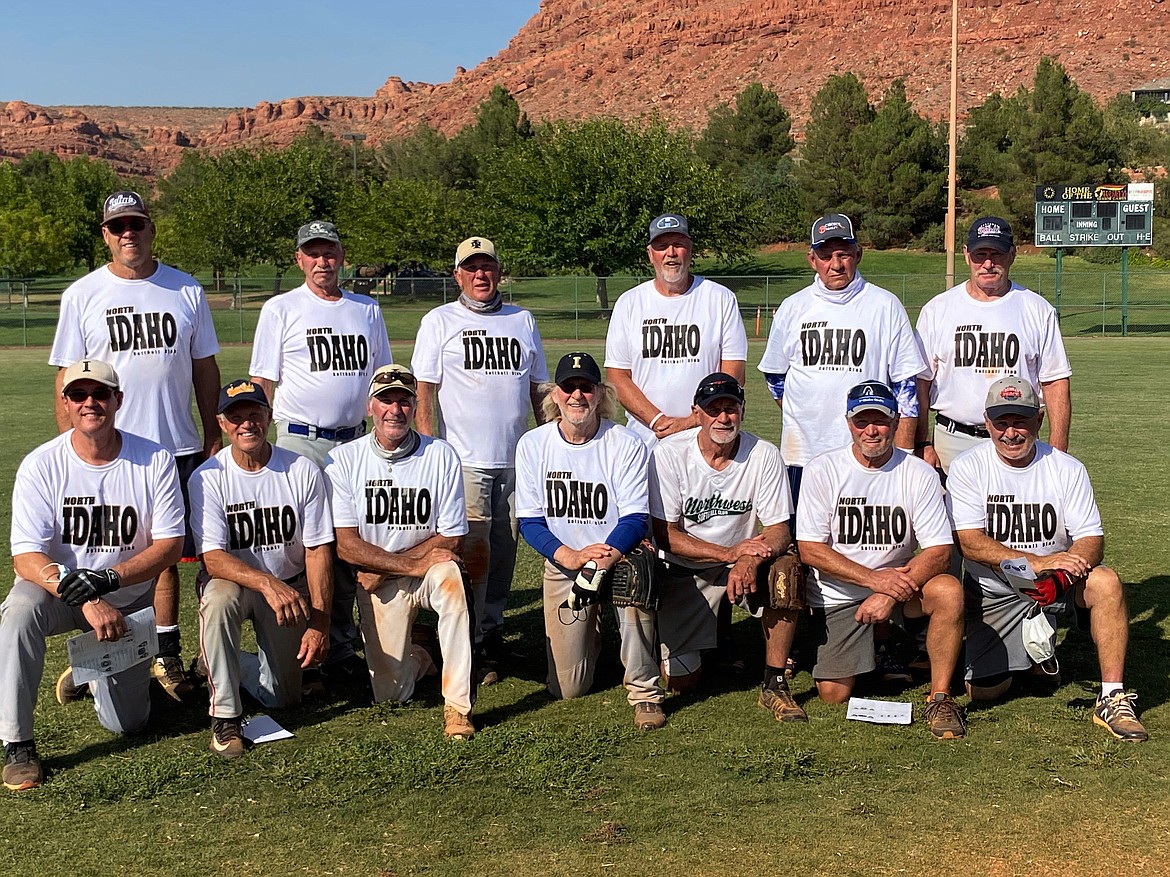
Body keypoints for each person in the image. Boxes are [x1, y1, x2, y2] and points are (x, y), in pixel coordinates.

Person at [48, 190, 221, 702]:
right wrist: (69, 447)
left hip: (176, 443)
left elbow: (204, 367)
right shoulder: (82, 294)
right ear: (105, 234)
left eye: (137, 225)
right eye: (118, 226)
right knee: (103, 546)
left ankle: (166, 654)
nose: (129, 234)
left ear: (150, 229)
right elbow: (65, 376)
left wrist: (213, 434)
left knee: (173, 556)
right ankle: (101, 652)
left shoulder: (185, 290)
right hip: (106, 450)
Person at [2, 360, 185, 791]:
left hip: (126, 600)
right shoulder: (41, 464)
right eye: (78, 395)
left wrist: (109, 581)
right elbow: (25, 557)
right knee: (18, 610)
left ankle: (93, 673)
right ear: (64, 404)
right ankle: (17, 743)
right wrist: (82, 593)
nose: (90, 403)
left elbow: (170, 545)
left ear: (118, 400)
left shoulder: (153, 458)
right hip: (63, 596)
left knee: (130, 723)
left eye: (100, 394)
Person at [947, 377, 1147, 741]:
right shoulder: (967, 466)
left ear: (1039, 420)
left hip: (1057, 587)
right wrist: (1038, 562)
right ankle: (1035, 656)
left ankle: (1112, 696)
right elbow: (970, 543)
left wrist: (1062, 576)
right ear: (986, 422)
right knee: (986, 691)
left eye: (1021, 420)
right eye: (1002, 421)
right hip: (996, 591)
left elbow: (1091, 538)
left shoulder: (1067, 467)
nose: (1011, 432)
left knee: (1106, 581)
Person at [249, 220, 393, 684]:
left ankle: (342, 642)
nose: (321, 261)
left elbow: (381, 378)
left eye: (328, 251)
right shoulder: (281, 308)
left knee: (351, 541)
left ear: (341, 255)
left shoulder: (365, 309)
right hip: (297, 439)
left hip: (354, 441)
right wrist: (259, 444)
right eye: (312, 253)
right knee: (302, 544)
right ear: (299, 260)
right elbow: (263, 382)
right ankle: (296, 639)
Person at [795, 381, 966, 739]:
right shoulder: (822, 469)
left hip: (900, 587)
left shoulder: (918, 472)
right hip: (841, 593)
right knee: (833, 694)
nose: (871, 430)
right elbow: (810, 549)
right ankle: (881, 643)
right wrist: (874, 581)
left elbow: (939, 550)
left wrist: (889, 592)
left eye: (881, 421)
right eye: (862, 421)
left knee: (949, 590)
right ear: (848, 423)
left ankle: (940, 696)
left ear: (895, 422)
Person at [412, 236, 548, 683]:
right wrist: (432, 453)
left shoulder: (522, 320)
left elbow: (539, 391)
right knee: (472, 552)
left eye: (487, 266)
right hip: (463, 459)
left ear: (498, 270)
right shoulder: (439, 320)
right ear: (457, 276)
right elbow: (425, 391)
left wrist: (549, 446)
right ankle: (463, 639)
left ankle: (491, 635)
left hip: (514, 460)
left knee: (505, 551)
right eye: (471, 268)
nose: (480, 275)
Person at [323, 364, 476, 739]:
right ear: (370, 407)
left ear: (414, 405)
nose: (395, 409)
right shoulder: (343, 460)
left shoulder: (441, 455)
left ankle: (458, 709)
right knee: (392, 694)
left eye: (404, 401)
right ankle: (423, 652)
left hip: (416, 572)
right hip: (380, 581)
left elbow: (453, 537)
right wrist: (406, 565)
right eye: (385, 400)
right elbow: (346, 544)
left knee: (452, 579)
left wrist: (395, 567)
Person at [515, 352, 666, 730]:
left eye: (586, 387)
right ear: (555, 394)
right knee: (568, 688)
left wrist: (604, 557)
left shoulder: (625, 442)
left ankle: (644, 691)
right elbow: (530, 521)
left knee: (635, 575)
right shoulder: (533, 444)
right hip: (566, 563)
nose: (577, 396)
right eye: (569, 388)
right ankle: (593, 636)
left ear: (600, 394)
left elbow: (635, 516)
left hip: (616, 558)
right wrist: (569, 556)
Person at [189, 380, 334, 759]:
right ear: (222, 424)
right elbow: (213, 558)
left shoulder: (301, 470)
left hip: (287, 588)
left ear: (269, 417)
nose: (246, 424)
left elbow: (318, 550)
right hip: (237, 583)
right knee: (219, 597)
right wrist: (266, 583)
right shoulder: (207, 476)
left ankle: (220, 659)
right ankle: (225, 718)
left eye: (254, 414)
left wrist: (319, 623)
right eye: (235, 417)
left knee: (283, 699)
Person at [649, 373, 804, 722]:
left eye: (730, 408)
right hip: (687, 568)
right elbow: (665, 535)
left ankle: (774, 681)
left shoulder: (763, 454)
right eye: (713, 409)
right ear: (696, 414)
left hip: (745, 565)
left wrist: (746, 558)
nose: (723, 417)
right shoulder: (670, 454)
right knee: (681, 682)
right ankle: (713, 637)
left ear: (743, 411)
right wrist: (728, 554)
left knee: (786, 569)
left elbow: (779, 529)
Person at [757, 213, 926, 503]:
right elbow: (775, 376)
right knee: (803, 542)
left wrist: (905, 455)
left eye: (843, 254)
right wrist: (803, 410)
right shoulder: (793, 307)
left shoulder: (884, 306)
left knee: (871, 544)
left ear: (858, 254)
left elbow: (906, 388)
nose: (835, 265)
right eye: (826, 255)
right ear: (812, 259)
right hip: (803, 456)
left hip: (869, 456)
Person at [916, 217, 1072, 473]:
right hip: (953, 440)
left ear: (1012, 254)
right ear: (966, 255)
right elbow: (920, 384)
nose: (987, 263)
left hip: (1017, 440)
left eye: (996, 254)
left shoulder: (1037, 309)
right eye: (980, 254)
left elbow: (1055, 382)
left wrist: (1058, 450)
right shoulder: (937, 310)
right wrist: (922, 442)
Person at [605, 213, 748, 445]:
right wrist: (657, 421)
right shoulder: (629, 303)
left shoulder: (720, 299)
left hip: (706, 437)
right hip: (646, 439)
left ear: (690, 251)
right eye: (662, 246)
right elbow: (617, 377)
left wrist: (692, 420)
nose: (671, 253)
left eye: (679, 245)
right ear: (650, 255)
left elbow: (734, 373)